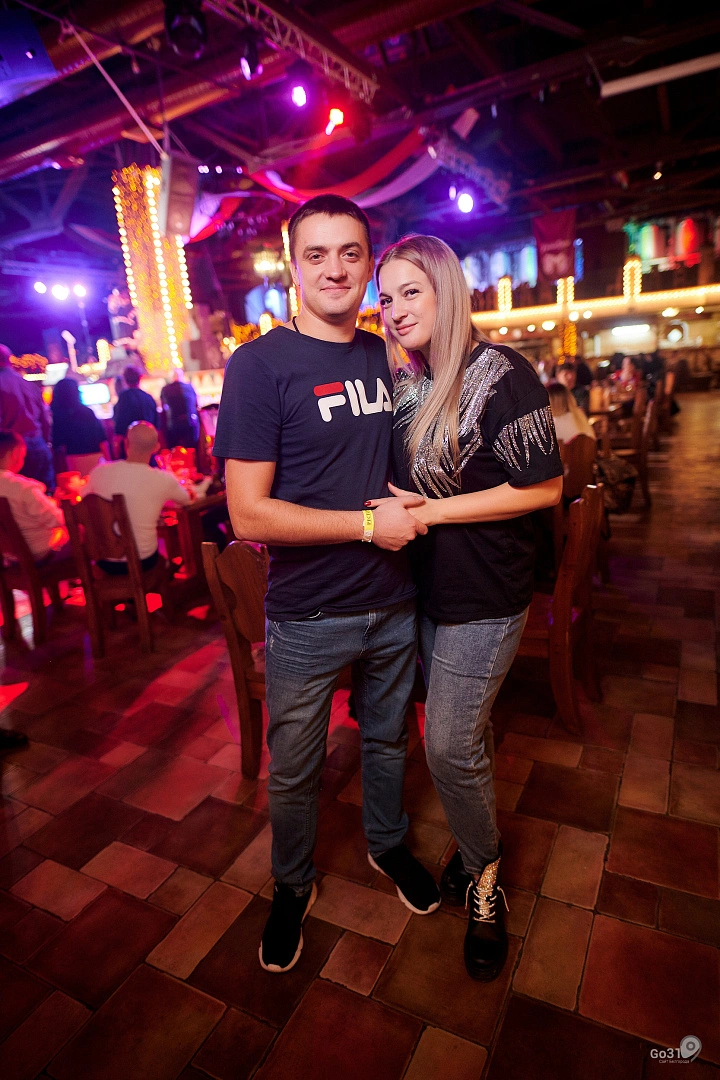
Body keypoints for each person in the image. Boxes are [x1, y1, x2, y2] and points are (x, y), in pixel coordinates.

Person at [214, 194, 440, 976]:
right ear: (294, 266)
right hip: (308, 613)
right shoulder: (259, 365)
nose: (336, 269)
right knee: (296, 766)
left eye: (350, 253)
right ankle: (291, 883)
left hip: (394, 599)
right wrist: (367, 525)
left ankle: (387, 844)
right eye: (317, 254)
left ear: (369, 264)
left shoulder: (384, 354)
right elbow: (248, 513)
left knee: (388, 739)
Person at [372, 235, 562, 982]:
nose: (394, 310)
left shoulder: (502, 372)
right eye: (386, 297)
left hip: (486, 595)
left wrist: (434, 512)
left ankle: (485, 875)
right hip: (426, 593)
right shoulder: (407, 387)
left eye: (410, 292)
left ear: (447, 290)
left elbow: (543, 486)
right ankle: (476, 845)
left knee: (448, 745)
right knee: (461, 736)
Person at [83, 421, 189, 575]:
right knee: (162, 558)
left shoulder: (99, 472)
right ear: (156, 448)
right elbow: (186, 500)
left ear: (126, 443)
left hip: (103, 562)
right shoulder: (163, 479)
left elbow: (82, 502)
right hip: (143, 562)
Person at [0, 431, 68, 562]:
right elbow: (56, 520)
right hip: (41, 553)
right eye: (23, 456)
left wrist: (50, 502)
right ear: (15, 454)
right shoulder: (23, 487)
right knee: (82, 531)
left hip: (10, 557)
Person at [0, 344, 54, 492]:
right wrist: (45, 443)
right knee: (46, 495)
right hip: (38, 445)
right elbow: (44, 420)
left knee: (17, 499)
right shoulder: (28, 384)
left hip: (11, 452)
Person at [51, 378, 109, 474]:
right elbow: (102, 439)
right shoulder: (87, 412)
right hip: (95, 457)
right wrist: (108, 460)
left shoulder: (57, 417)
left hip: (72, 460)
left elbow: (57, 444)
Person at [113, 366, 158, 438]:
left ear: (125, 380)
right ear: (139, 378)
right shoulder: (148, 397)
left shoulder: (124, 397)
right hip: (149, 439)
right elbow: (157, 423)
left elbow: (120, 422)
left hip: (132, 440)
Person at [160, 374, 200, 451]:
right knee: (192, 449)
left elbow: (163, 407)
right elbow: (197, 404)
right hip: (190, 423)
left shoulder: (165, 389)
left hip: (173, 424)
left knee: (173, 450)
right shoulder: (189, 387)